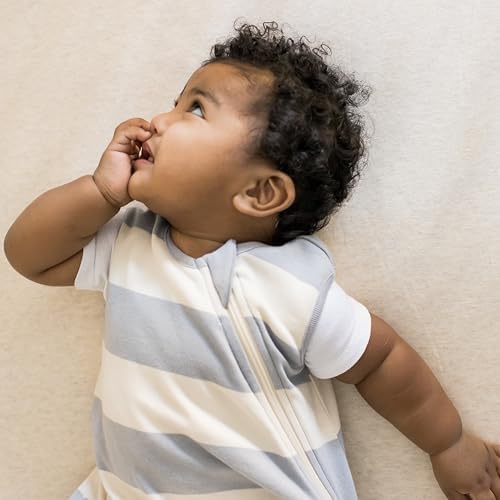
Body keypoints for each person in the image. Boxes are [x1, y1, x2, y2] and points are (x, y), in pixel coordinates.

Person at [4, 20, 499, 500]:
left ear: (260, 193)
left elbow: (382, 363)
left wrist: (448, 443)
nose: (159, 119)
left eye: (196, 110)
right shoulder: (131, 243)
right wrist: (101, 192)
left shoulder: (287, 288)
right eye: (176, 103)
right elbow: (30, 257)